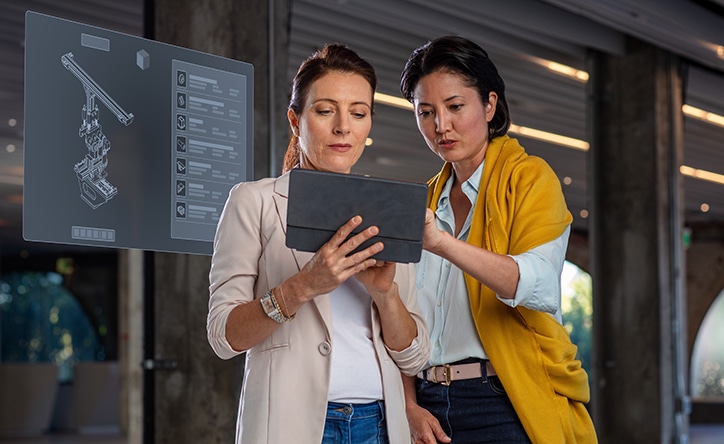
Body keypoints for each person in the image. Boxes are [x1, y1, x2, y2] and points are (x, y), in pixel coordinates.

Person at [207, 43, 429, 444]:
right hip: (291, 425)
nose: (343, 127)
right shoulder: (253, 201)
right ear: (296, 120)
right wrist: (302, 287)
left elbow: (414, 355)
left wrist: (385, 296)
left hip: (379, 426)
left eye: (358, 113)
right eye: (326, 110)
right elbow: (224, 337)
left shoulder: (390, 211)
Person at [398, 35, 597, 443]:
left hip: (502, 401)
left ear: (489, 105)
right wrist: (408, 404)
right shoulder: (423, 201)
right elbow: (402, 313)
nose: (441, 126)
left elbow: (537, 284)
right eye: (426, 112)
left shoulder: (530, 179)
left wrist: (443, 244)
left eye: (455, 107)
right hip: (427, 404)